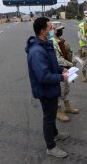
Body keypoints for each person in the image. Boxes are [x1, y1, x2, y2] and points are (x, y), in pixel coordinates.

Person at [25, 17, 69, 158]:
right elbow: (43, 76)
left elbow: (51, 65)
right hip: (45, 90)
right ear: (43, 31)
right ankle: (50, 146)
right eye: (50, 28)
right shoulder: (37, 51)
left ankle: (55, 134)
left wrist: (60, 70)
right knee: (49, 118)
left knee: (52, 111)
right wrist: (62, 77)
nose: (53, 30)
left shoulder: (46, 44)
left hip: (51, 88)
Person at [50, 21, 79, 122]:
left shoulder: (62, 40)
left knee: (66, 88)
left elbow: (70, 51)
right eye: (59, 30)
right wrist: (70, 64)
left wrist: (74, 60)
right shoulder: (51, 42)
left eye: (62, 29)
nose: (61, 31)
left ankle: (67, 107)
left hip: (67, 68)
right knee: (59, 91)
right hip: (59, 69)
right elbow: (57, 58)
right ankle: (58, 111)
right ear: (53, 30)